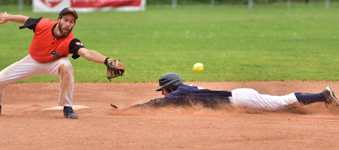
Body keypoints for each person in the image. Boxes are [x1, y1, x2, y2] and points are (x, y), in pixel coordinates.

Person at [0, 7, 124, 119]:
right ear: (58, 20)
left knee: (66, 65)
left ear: (74, 24)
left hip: (54, 63)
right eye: (65, 20)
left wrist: (106, 60)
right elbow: (25, 19)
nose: (67, 24)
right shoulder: (43, 24)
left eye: (71, 22)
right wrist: (8, 17)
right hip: (33, 60)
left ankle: (67, 107)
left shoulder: (71, 41)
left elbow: (86, 53)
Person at [111, 72, 339, 112]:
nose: (163, 94)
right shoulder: (184, 92)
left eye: (164, 89)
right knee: (281, 105)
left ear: (171, 87)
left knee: (282, 103)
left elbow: (155, 104)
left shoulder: (179, 93)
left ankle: (323, 95)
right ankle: (321, 97)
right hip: (240, 98)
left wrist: (128, 110)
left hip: (242, 98)